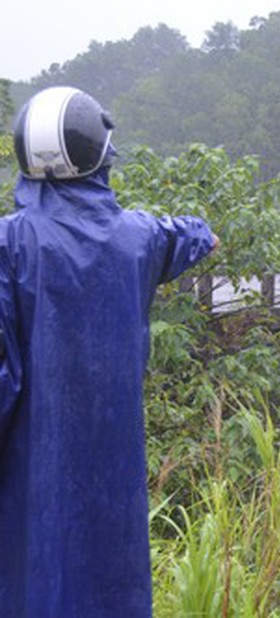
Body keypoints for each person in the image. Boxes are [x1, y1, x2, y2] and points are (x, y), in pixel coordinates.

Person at [0, 86, 218, 617]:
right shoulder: (137, 238)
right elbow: (194, 235)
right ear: (100, 155)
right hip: (112, 482)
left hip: (31, 481)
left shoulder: (9, 245)